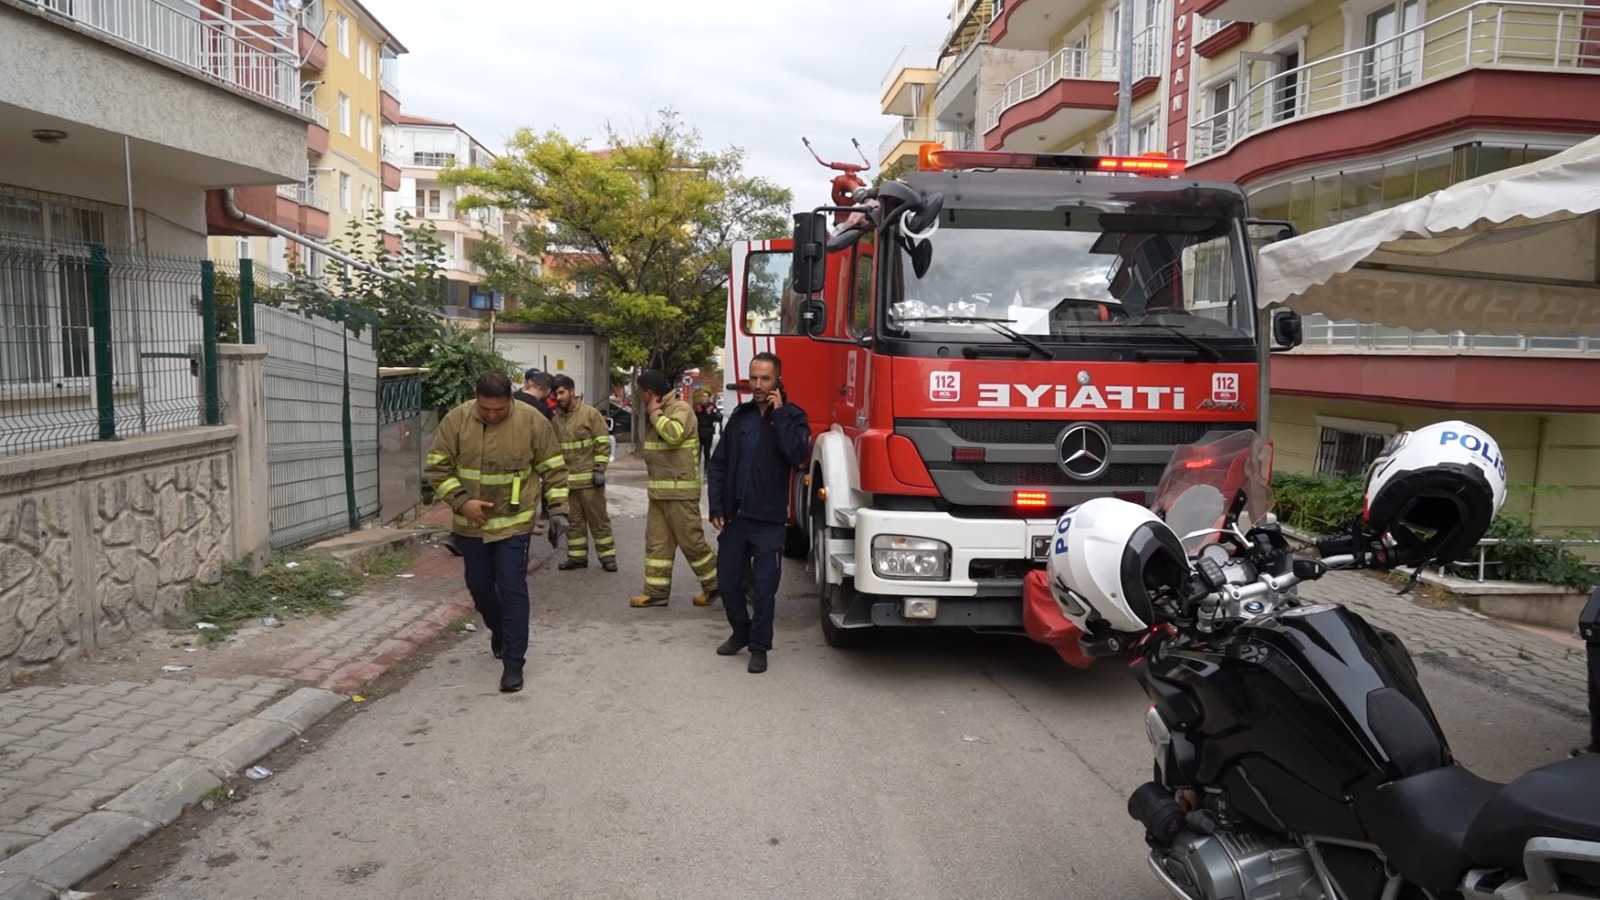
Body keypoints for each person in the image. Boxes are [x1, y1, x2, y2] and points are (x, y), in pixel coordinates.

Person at [426, 371, 570, 693]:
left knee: (512, 587)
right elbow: (437, 466)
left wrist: (559, 510)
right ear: (477, 399)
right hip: (471, 524)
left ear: (511, 400)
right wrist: (462, 503)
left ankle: (514, 664)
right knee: (478, 586)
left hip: (514, 523)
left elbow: (555, 470)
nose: (492, 415)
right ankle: (499, 629)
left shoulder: (532, 422)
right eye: (485, 409)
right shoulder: (457, 420)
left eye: (499, 410)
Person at [706, 352, 810, 674]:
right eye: (754, 378)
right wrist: (716, 506)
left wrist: (779, 415)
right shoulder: (741, 416)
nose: (758, 385)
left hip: (768, 522)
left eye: (765, 379)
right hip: (736, 519)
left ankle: (759, 647)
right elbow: (719, 463)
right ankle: (741, 631)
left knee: (764, 590)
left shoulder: (793, 417)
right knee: (728, 583)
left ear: (778, 380)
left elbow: (796, 456)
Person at [630, 370, 719, 609]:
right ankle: (656, 593)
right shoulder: (658, 412)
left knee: (692, 543)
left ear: (650, 393)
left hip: (680, 493)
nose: (640, 397)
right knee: (657, 544)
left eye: (641, 393)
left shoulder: (681, 409)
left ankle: (716, 584)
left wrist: (655, 412)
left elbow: (674, 435)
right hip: (660, 493)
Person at [550, 374, 616, 572]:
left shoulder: (591, 414)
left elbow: (603, 443)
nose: (558, 397)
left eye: (561, 392)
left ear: (571, 391)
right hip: (568, 484)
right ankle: (577, 557)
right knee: (574, 524)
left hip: (589, 482)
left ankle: (608, 558)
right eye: (555, 394)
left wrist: (599, 470)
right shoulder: (556, 421)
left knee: (599, 521)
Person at [694, 389, 722, 470]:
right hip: (699, 431)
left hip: (708, 431)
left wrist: (710, 412)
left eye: (705, 396)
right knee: (698, 450)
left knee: (707, 451)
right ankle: (697, 466)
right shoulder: (699, 406)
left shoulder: (712, 407)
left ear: (709, 398)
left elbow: (717, 417)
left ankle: (707, 467)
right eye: (703, 396)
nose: (703, 398)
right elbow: (695, 417)